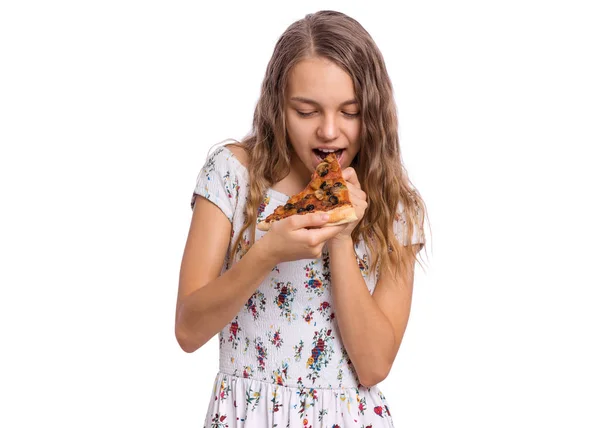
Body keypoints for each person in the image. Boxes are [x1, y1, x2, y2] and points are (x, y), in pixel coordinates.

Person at [176, 10, 428, 427]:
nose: (329, 131)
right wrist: (267, 252)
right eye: (307, 111)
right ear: (279, 107)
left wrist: (341, 233)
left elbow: (373, 366)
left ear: (375, 113)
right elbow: (188, 331)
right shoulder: (232, 174)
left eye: (350, 112)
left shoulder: (395, 204)